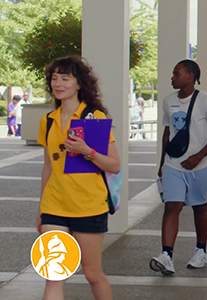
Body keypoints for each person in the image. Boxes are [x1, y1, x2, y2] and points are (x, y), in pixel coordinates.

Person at [36, 55, 121, 300]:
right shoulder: (48, 121)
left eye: (65, 78)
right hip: (55, 206)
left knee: (92, 274)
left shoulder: (94, 118)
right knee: (53, 275)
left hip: (88, 207)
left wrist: (88, 151)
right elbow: (48, 167)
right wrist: (42, 208)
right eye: (54, 78)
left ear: (79, 84)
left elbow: (114, 165)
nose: (58, 84)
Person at [150, 59, 207, 275]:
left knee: (199, 206)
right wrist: (162, 163)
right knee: (172, 206)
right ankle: (166, 255)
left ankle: (201, 250)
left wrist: (199, 156)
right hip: (174, 165)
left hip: (199, 166)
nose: (172, 77)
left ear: (190, 76)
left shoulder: (205, 101)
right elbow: (167, 133)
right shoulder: (167, 101)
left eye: (176, 74)